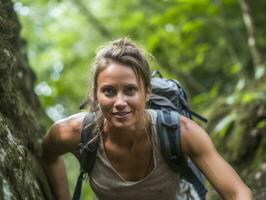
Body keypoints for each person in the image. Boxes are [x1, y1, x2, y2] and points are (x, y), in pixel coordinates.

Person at [42, 38, 253, 200]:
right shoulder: (72, 132)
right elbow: (48, 155)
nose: (120, 102)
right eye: (108, 91)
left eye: (130, 90)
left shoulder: (180, 132)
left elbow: (238, 192)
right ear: (95, 95)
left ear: (147, 92)